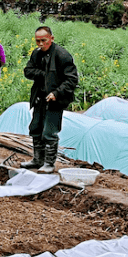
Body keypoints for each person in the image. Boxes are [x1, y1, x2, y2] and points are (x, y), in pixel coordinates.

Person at [22, 25, 79, 174]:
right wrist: (43, 74)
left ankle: (49, 163)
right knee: (35, 129)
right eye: (37, 41)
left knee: (49, 132)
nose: (40, 44)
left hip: (55, 101)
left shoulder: (62, 55)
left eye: (43, 40)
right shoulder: (36, 54)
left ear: (51, 39)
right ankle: (37, 159)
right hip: (39, 98)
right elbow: (27, 71)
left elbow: (71, 80)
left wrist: (57, 93)